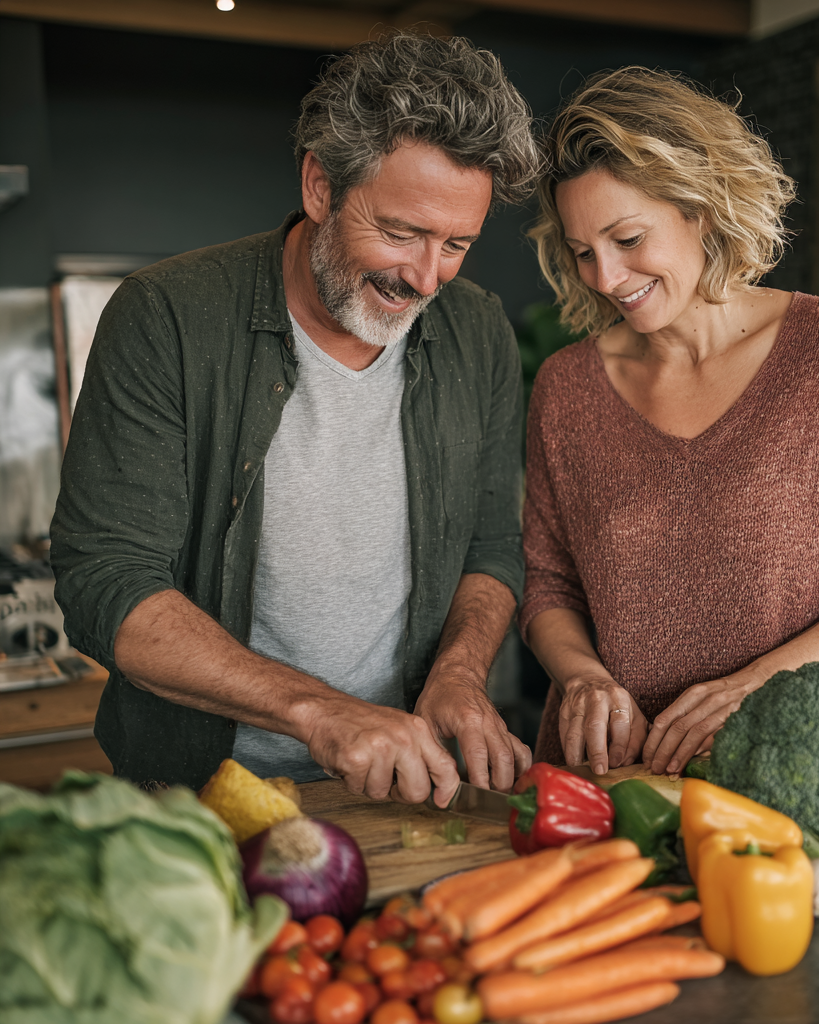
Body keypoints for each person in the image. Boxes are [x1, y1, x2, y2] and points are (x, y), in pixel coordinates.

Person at [50, 32, 541, 804]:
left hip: (402, 787)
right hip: (195, 795)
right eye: (402, 232)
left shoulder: (477, 330)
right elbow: (105, 580)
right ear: (320, 186)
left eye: (457, 244)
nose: (424, 278)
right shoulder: (167, 318)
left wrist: (457, 672)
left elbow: (491, 547)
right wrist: (323, 714)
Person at [520, 67, 819, 777]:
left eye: (627, 238)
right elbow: (548, 585)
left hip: (784, 768)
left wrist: (757, 684)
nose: (603, 277)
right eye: (582, 251)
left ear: (701, 207)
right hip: (604, 781)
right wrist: (583, 677)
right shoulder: (568, 389)